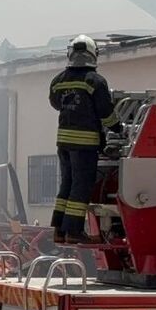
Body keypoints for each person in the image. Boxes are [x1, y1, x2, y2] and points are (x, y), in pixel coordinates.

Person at [48, 34, 122, 244]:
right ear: (93, 54)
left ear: (70, 54)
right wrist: (118, 128)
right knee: (81, 186)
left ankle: (59, 231)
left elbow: (55, 103)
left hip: (63, 143)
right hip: (85, 144)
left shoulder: (58, 80)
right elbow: (105, 111)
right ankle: (74, 231)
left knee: (67, 184)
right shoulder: (95, 81)